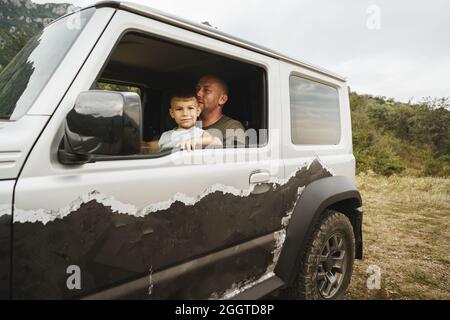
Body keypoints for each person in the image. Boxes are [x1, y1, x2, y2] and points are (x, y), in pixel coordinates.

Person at [155, 90, 222, 152]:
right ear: (172, 113)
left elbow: (217, 142)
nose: (185, 114)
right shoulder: (165, 135)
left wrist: (196, 141)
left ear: (198, 111)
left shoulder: (200, 134)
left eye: (190, 108)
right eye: (179, 109)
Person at [195, 75, 246, 146]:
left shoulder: (232, 127)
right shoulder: (187, 123)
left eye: (206, 90)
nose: (198, 94)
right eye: (197, 89)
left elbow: (235, 156)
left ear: (222, 99)